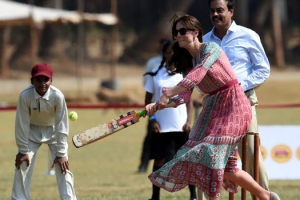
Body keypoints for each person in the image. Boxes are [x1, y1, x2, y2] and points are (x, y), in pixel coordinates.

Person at [145, 14, 280, 200]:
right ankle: (266, 196)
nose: (179, 35)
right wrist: (159, 105)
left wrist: (166, 94)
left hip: (234, 105)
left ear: (196, 32)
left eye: (183, 31)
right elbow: (183, 97)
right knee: (228, 167)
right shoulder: (188, 62)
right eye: (176, 32)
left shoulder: (211, 48)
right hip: (213, 108)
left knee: (211, 155)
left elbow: (197, 76)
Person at [201, 0, 271, 199]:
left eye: (220, 10)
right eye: (212, 11)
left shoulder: (248, 36)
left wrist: (239, 86)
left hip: (243, 101)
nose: (216, 14)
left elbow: (263, 69)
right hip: (215, 105)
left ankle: (264, 196)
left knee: (250, 154)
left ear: (231, 11)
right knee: (206, 155)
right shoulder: (205, 41)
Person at [12, 63, 77, 200]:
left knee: (63, 166)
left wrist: (61, 154)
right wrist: (23, 150)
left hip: (54, 132)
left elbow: (62, 125)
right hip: (32, 132)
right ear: (32, 81)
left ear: (51, 81)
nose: (42, 83)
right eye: (38, 80)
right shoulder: (25, 96)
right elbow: (22, 123)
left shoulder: (58, 96)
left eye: (46, 80)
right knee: (23, 164)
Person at [138, 38, 171, 173]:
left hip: (171, 111)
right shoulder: (153, 63)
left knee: (170, 141)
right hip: (154, 109)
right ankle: (143, 165)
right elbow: (147, 85)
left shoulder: (178, 65)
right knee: (151, 138)